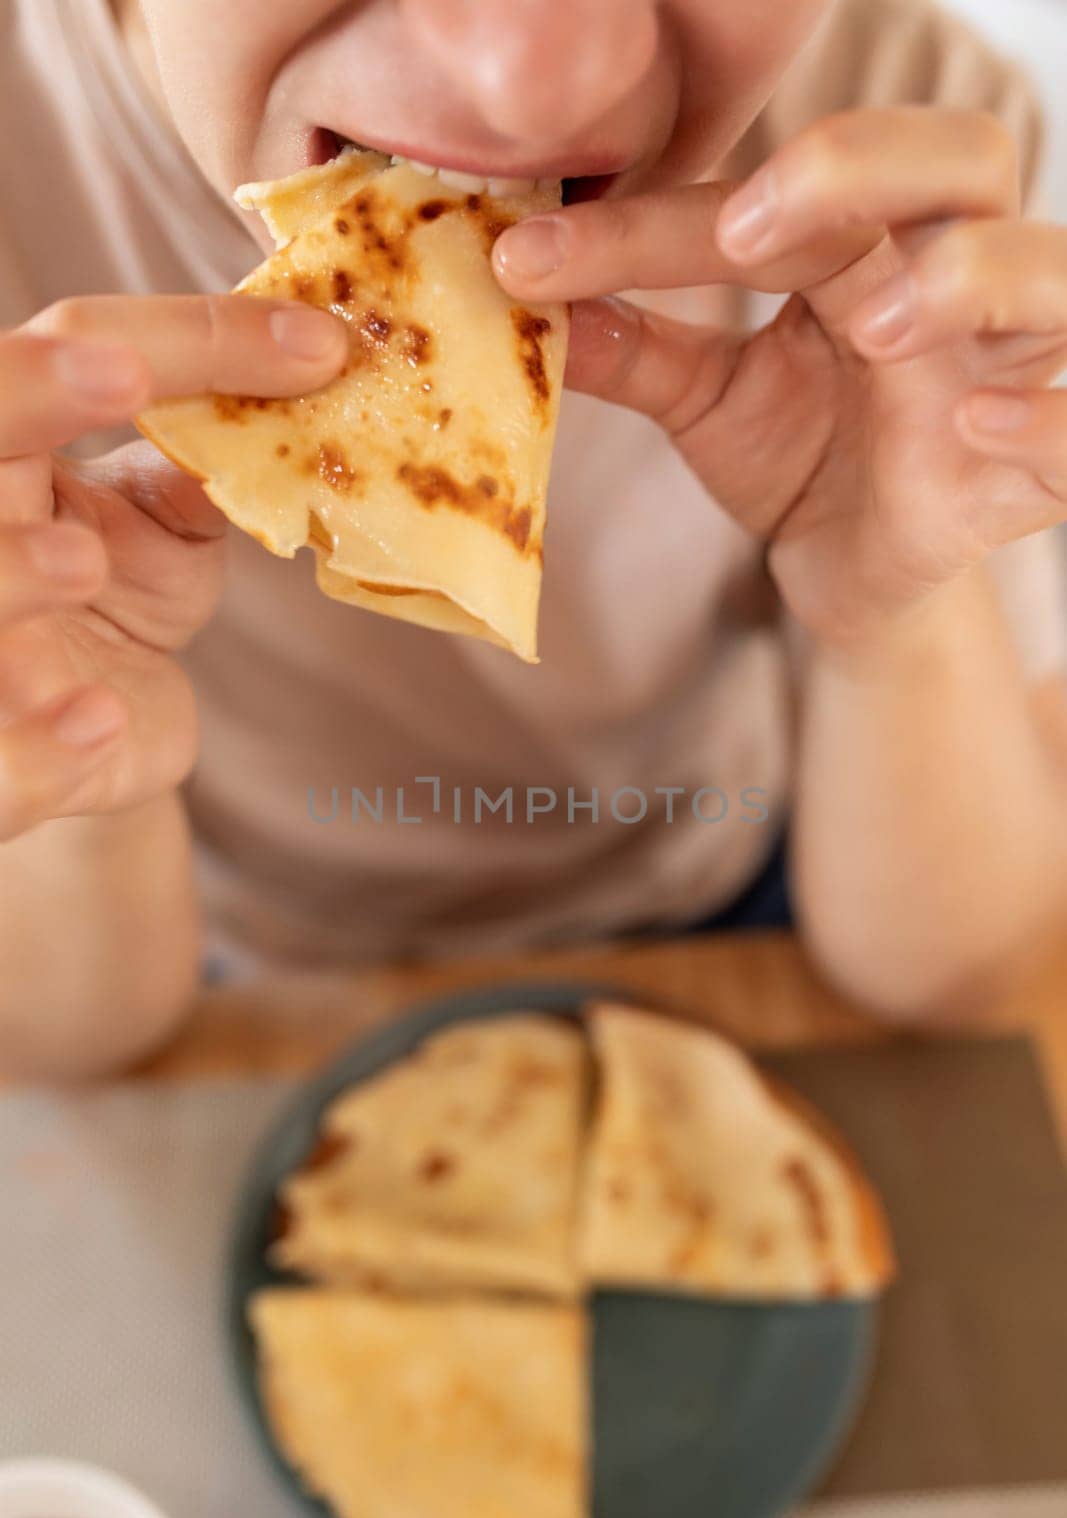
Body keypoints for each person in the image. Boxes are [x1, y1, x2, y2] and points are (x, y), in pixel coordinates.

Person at [2, 0, 1067, 1078]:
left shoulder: (894, 152)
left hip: (735, 902)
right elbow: (57, 1045)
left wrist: (890, 614)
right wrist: (79, 732)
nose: (530, 88)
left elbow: (961, 983)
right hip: (234, 970)